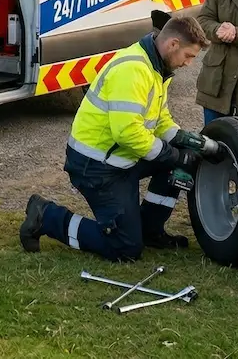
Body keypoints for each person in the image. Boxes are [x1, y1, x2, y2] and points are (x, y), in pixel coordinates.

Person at [19, 16, 220, 262]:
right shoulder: (134, 70)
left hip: (120, 157)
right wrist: (174, 154)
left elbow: (160, 120)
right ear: (173, 44)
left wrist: (184, 140)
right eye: (189, 56)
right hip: (97, 167)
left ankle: (150, 231)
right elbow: (128, 133)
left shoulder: (157, 68)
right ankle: (46, 216)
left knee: (179, 160)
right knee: (125, 248)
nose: (189, 64)